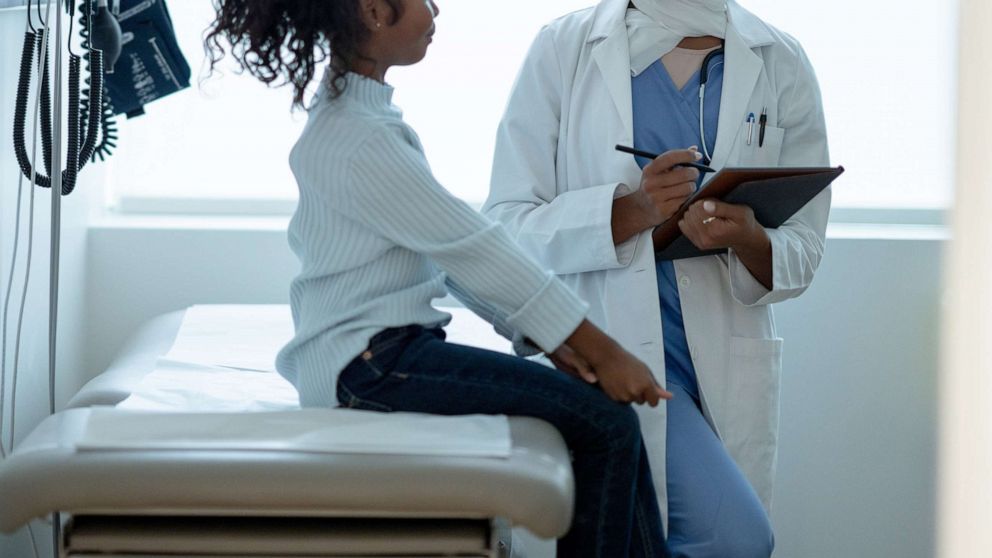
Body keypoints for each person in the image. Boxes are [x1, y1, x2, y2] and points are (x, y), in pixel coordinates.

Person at [205, 1, 675, 556]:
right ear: (377, 11)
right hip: (369, 367)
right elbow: (475, 248)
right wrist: (600, 348)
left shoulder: (358, 121)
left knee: (606, 420)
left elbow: (446, 257)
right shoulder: (361, 138)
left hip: (376, 359)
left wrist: (555, 342)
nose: (435, 9)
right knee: (606, 425)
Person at [483, 0, 832, 556]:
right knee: (734, 537)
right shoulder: (566, 47)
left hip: (719, 357)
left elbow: (805, 249)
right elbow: (503, 229)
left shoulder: (779, 59)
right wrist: (631, 211)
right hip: (610, 353)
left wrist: (747, 235)